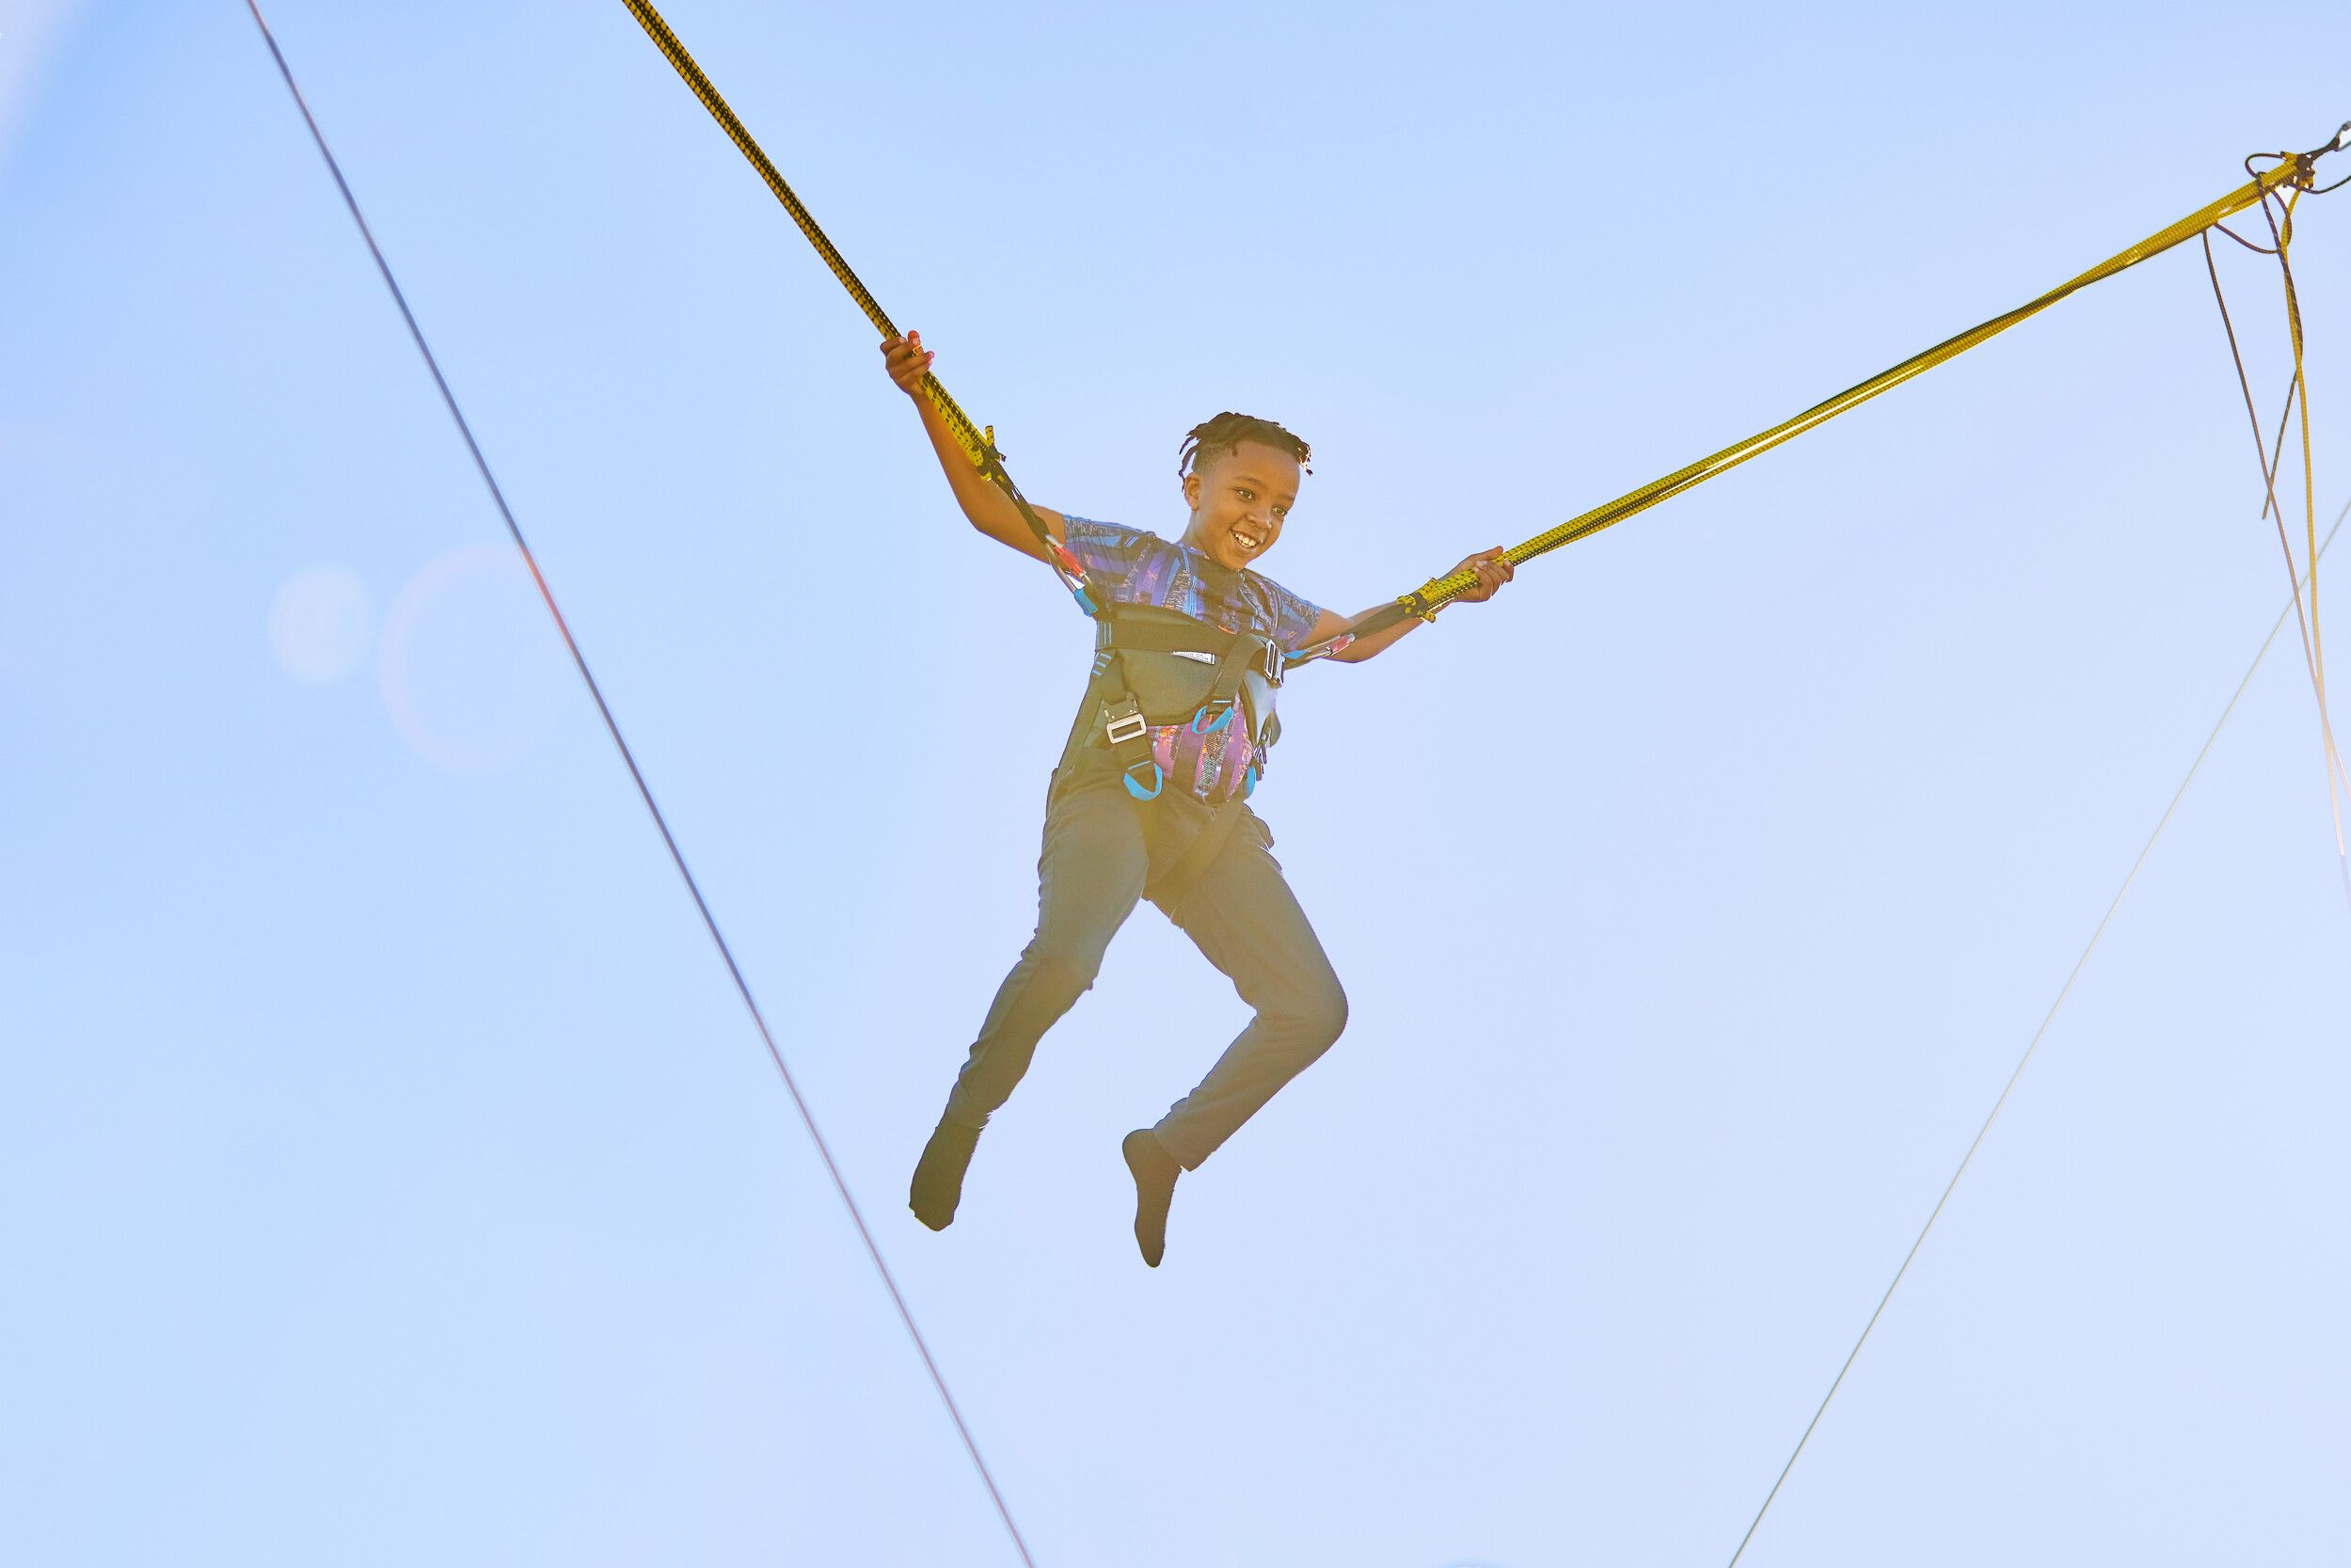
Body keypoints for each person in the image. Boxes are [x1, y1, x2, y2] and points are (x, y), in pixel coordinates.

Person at [882, 328, 1512, 1265]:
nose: (1261, 517)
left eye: (1280, 506)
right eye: (1245, 493)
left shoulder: (1274, 610)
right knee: (1066, 960)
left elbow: (1356, 637)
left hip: (1213, 833)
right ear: (1195, 487)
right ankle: (966, 1115)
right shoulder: (1131, 561)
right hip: (1113, 796)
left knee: (1313, 1007)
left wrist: (1448, 590)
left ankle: (1167, 1148)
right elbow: (989, 507)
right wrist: (926, 399)